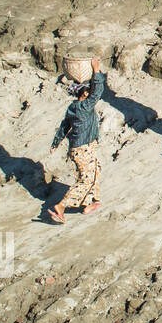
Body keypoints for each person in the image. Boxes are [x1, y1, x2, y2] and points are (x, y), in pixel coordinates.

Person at [48, 57, 106, 224]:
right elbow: (98, 91)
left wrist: (55, 144)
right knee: (85, 179)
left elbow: (64, 127)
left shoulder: (72, 107)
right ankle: (61, 206)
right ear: (85, 94)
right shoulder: (85, 107)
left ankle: (92, 202)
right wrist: (96, 70)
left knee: (95, 169)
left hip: (78, 148)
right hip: (83, 148)